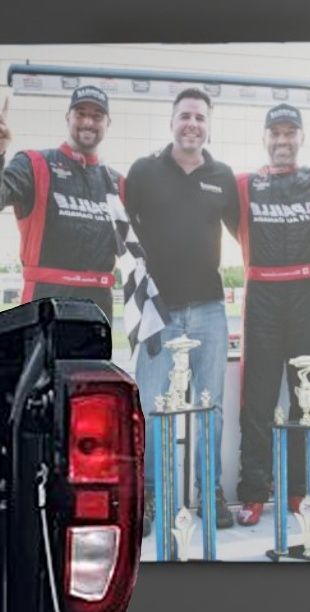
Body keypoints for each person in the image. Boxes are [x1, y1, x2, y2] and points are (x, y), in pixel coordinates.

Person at [125, 87, 240, 531]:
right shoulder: (144, 171)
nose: (192, 124)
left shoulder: (223, 176)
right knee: (151, 407)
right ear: (172, 121)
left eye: (200, 118)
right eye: (185, 116)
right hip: (159, 311)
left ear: (208, 126)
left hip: (211, 309)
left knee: (209, 408)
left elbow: (246, 234)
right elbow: (119, 230)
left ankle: (209, 492)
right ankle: (151, 495)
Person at [230, 104, 310, 526]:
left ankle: (298, 489)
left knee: (305, 399)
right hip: (262, 298)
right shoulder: (242, 185)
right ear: (264, 139)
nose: (282, 141)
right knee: (257, 398)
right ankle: (254, 492)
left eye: (290, 133)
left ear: (302, 138)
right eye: (275, 133)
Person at [0, 85, 123, 319]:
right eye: (81, 114)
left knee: (95, 358)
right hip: (45, 300)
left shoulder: (118, 183)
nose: (88, 122)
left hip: (99, 305)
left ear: (108, 123)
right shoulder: (34, 163)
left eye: (97, 116)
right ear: (68, 118)